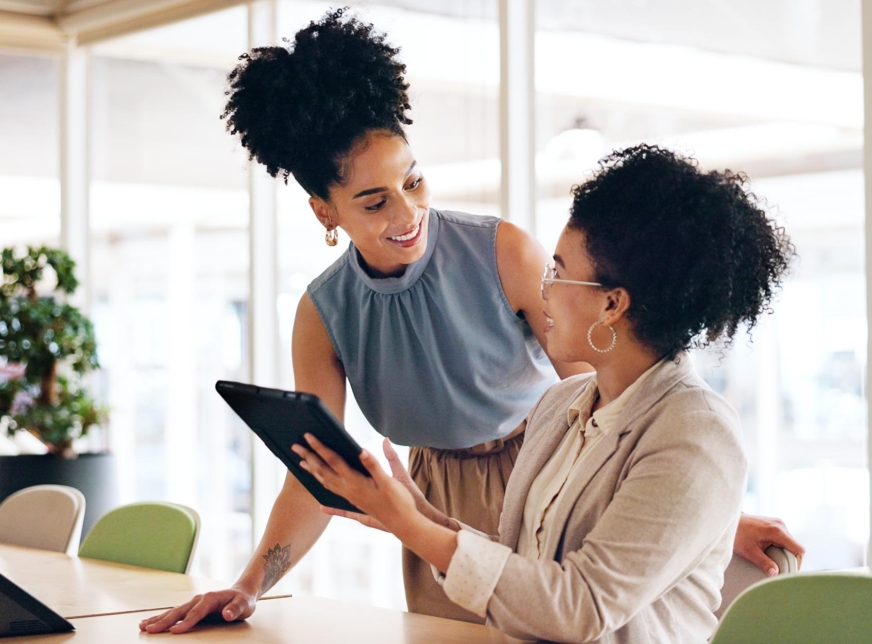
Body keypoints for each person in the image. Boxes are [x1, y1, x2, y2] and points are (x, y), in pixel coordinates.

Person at [139, 9, 802, 635]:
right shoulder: (324, 312)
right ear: (326, 211)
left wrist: (709, 518)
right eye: (373, 202)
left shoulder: (507, 255)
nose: (405, 214)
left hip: (537, 480)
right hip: (437, 501)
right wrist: (254, 583)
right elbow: (317, 473)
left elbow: (611, 416)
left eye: (414, 181)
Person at [293, 143, 795, 643]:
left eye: (557, 271)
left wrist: (416, 528)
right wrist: (415, 512)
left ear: (612, 304)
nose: (543, 288)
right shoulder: (560, 407)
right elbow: (523, 564)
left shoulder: (696, 431)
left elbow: (580, 607)